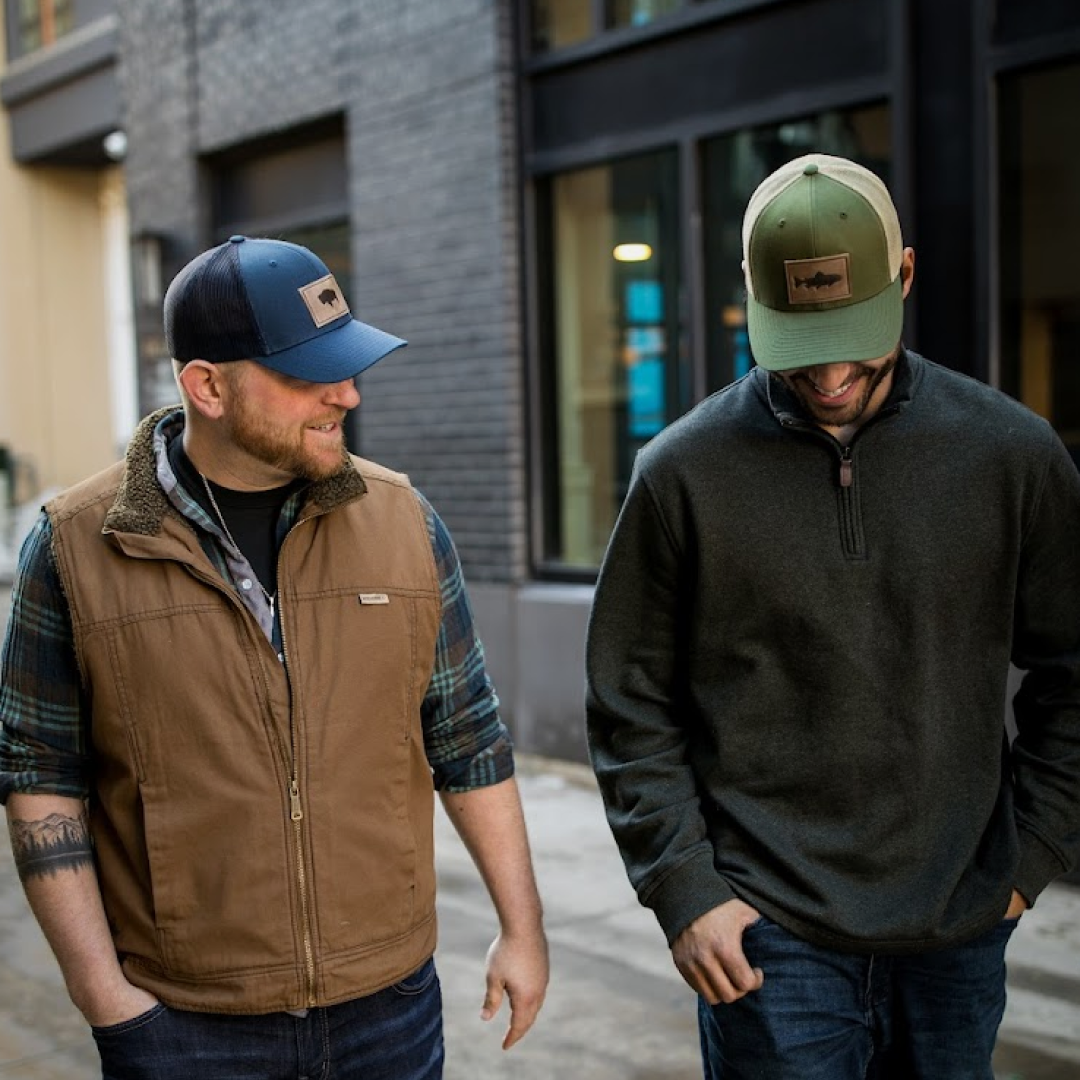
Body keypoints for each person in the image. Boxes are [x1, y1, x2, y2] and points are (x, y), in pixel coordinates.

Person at [0, 235, 548, 1079]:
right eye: (305, 375)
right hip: (186, 1025)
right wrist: (106, 1000)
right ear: (206, 386)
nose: (347, 394)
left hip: (387, 1010)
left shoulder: (404, 523)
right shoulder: (75, 547)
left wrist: (523, 928)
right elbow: (39, 774)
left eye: (349, 364)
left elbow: (468, 734)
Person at [585, 154, 1080, 1079]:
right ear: (751, 292)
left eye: (857, 333)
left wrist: (1032, 856)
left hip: (960, 926)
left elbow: (1075, 671)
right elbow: (630, 704)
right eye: (802, 338)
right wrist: (685, 889)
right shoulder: (682, 474)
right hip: (770, 938)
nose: (833, 372)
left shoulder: (1012, 457)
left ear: (907, 275)